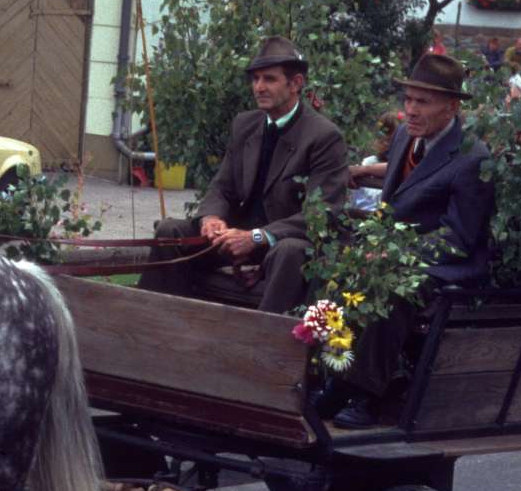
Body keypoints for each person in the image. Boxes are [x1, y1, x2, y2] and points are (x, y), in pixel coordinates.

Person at [333, 55, 494, 427]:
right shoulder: (406, 136)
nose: (410, 110)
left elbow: (459, 237)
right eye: (407, 99)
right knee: (334, 268)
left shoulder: (472, 157)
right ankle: (333, 376)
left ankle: (367, 394)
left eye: (423, 101)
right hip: (396, 250)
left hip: (446, 264)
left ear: (451, 106)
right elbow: (402, 188)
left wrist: (394, 254)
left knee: (391, 288)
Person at [137, 36, 348, 315]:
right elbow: (222, 187)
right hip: (237, 237)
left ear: (295, 83)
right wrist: (212, 218)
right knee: (170, 232)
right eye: (255, 79)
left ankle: (262, 337)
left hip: (283, 244)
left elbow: (321, 215)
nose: (259, 87)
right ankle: (156, 321)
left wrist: (257, 237)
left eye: (269, 79)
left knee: (289, 252)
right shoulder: (245, 124)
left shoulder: (324, 136)